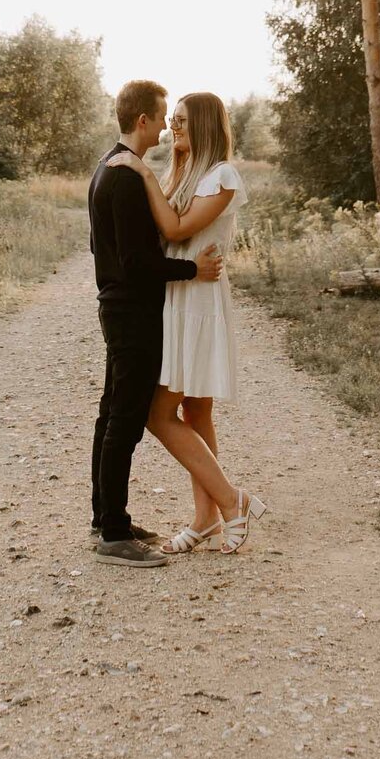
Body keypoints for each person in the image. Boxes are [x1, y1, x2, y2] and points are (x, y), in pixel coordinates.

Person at [109, 91, 267, 556]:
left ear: (201, 123)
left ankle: (229, 500)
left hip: (198, 299)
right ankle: (208, 519)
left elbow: (176, 230)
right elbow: (165, 225)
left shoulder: (222, 175)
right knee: (196, 412)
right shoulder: (186, 171)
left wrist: (141, 169)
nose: (172, 128)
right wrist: (172, 166)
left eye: (180, 120)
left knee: (160, 415)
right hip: (177, 295)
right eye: (171, 119)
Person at [88, 79, 224, 568]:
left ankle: (106, 518)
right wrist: (192, 270)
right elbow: (136, 262)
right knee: (124, 420)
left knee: (112, 413)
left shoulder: (109, 166)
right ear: (142, 120)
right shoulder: (124, 175)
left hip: (121, 308)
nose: (167, 125)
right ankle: (114, 535)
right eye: (163, 116)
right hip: (132, 311)